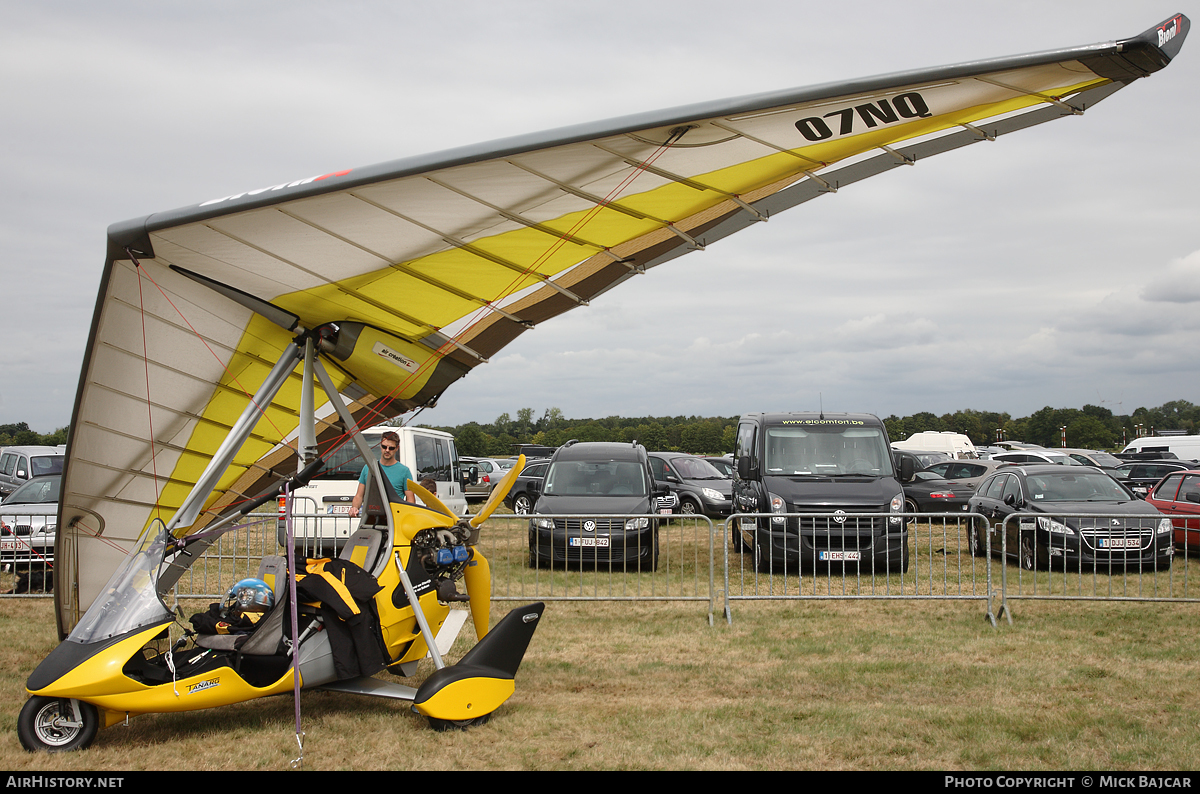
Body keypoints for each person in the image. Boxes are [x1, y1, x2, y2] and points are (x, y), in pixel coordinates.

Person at [349, 430, 415, 516]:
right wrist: (354, 508)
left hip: (394, 519)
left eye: (391, 448)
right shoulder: (368, 468)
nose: (387, 450)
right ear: (380, 446)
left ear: (397, 448)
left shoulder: (404, 471)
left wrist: (404, 516)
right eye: (384, 447)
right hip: (371, 518)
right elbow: (359, 496)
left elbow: (410, 499)